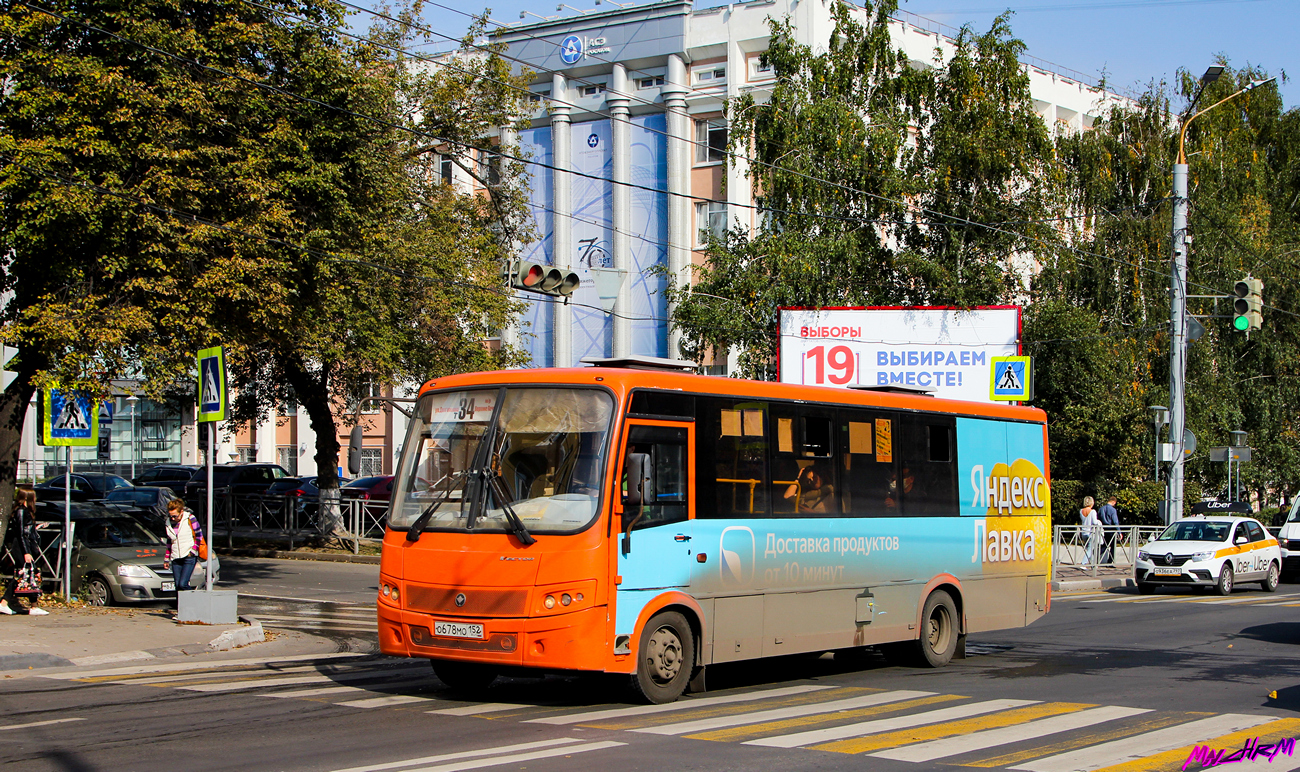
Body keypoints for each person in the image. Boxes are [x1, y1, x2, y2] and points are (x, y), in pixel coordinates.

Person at [2, 486, 49, 615]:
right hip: (22, 547)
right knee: (24, 574)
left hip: (23, 546)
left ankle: (10, 603)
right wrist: (26, 552)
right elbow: (22, 533)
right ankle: (7, 603)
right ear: (27, 499)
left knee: (25, 574)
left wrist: (35, 527)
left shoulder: (23, 511)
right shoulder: (22, 511)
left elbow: (24, 530)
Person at [163, 499, 205, 592]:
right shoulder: (168, 522)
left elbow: (199, 535)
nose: (173, 519)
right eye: (171, 516)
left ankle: (195, 601)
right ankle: (181, 606)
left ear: (181, 512)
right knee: (178, 585)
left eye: (175, 516)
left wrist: (193, 551)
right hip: (175, 556)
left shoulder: (190, 518)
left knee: (183, 584)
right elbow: (170, 541)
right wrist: (167, 558)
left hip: (188, 555)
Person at [1079, 496, 1102, 567]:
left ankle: (1093, 564)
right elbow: (1095, 522)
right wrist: (1099, 522)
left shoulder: (1081, 511)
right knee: (1090, 549)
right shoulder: (1093, 511)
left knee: (1089, 549)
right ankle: (1083, 563)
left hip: (1083, 532)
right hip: (1091, 532)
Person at [1098, 496, 1120, 564]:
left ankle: (1095, 556)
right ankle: (1110, 562)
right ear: (1113, 502)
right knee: (1113, 546)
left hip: (1103, 529)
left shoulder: (1101, 509)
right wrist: (1119, 532)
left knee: (1104, 545)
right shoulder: (1113, 510)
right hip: (1111, 529)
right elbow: (1115, 521)